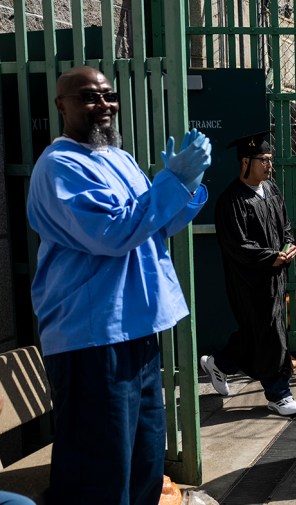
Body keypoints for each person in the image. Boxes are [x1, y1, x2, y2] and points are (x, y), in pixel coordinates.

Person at [26, 66, 211, 504]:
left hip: (138, 329)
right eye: (89, 97)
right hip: (93, 337)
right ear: (61, 106)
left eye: (108, 96)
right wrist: (170, 183)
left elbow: (155, 226)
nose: (103, 106)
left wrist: (187, 186)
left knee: (144, 460)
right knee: (100, 470)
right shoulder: (59, 166)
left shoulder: (119, 158)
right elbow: (112, 234)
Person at [199, 131, 296, 417]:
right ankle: (278, 394)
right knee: (270, 334)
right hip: (249, 280)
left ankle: (220, 363)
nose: (269, 166)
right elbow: (238, 245)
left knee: (257, 332)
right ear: (246, 161)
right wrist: (270, 257)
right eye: (263, 160)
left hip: (274, 276)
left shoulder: (271, 191)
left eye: (270, 160)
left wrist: (290, 246)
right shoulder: (231, 200)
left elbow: (286, 226)